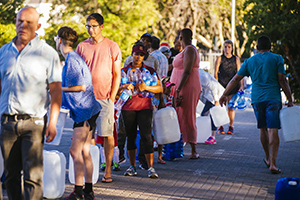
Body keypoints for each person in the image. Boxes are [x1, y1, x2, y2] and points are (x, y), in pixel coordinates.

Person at [0, 7, 62, 200]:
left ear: (38, 26)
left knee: (33, 177)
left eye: (28, 22)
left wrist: (52, 123)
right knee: (10, 176)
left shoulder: (47, 53)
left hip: (34, 123)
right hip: (7, 123)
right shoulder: (4, 51)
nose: (23, 25)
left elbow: (55, 91)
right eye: (20, 21)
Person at [219, 35, 293, 174]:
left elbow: (235, 78)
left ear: (257, 48)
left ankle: (267, 158)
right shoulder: (277, 58)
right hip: (273, 98)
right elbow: (282, 80)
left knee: (263, 129)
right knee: (273, 129)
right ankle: (274, 163)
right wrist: (289, 98)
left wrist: (224, 94)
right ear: (270, 47)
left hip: (257, 99)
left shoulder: (250, 61)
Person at [55, 26, 101, 200]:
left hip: (84, 110)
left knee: (75, 152)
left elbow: (81, 86)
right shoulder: (73, 58)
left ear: (60, 40)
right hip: (89, 109)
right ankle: (88, 192)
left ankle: (79, 192)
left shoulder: (72, 60)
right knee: (85, 151)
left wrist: (59, 89)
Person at [76, 13, 122, 183]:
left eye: (94, 26)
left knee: (107, 135)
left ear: (102, 27)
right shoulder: (81, 47)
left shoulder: (112, 46)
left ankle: (108, 170)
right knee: (87, 136)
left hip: (105, 98)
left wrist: (111, 97)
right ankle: (90, 172)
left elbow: (117, 74)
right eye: (88, 26)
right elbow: (77, 72)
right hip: (86, 99)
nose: (91, 29)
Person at [120, 42, 163, 178]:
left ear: (144, 56)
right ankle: (132, 167)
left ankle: (150, 168)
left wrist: (146, 88)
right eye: (136, 54)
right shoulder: (124, 70)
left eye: (141, 55)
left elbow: (160, 88)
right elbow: (116, 89)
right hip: (128, 107)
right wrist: (125, 86)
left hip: (145, 107)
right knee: (130, 137)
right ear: (131, 55)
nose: (138, 57)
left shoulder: (150, 71)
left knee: (146, 137)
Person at [170, 28, 201, 159]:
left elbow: (187, 71)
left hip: (186, 86)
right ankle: (178, 144)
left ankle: (193, 149)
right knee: (178, 115)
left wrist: (178, 89)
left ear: (181, 38)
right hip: (178, 86)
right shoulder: (184, 50)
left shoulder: (189, 50)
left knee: (188, 115)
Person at [214, 40, 243, 135]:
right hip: (221, 85)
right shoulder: (219, 58)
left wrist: (241, 86)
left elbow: (240, 73)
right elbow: (215, 73)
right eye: (225, 46)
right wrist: (216, 85)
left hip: (233, 86)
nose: (227, 49)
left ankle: (231, 126)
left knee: (230, 107)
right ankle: (221, 125)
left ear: (232, 48)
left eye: (229, 47)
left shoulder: (236, 59)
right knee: (221, 107)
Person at [198, 68, 225, 145]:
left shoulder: (200, 75)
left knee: (209, 116)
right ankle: (209, 135)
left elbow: (213, 87)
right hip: (210, 96)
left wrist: (216, 100)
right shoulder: (197, 73)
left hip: (215, 95)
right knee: (205, 115)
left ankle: (212, 137)